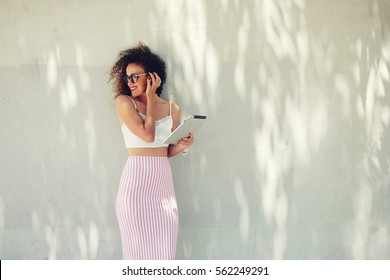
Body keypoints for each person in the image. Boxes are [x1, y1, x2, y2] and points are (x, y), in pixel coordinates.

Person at [109, 42, 194, 260]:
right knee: (136, 258)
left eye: (135, 76)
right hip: (135, 190)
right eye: (127, 77)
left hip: (163, 189)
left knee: (164, 257)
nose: (130, 82)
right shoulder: (124, 102)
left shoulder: (172, 108)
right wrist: (150, 100)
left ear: (153, 76)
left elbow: (163, 150)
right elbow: (147, 136)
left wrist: (182, 145)